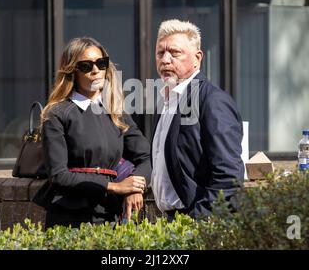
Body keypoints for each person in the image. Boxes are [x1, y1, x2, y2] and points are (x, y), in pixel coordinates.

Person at [33, 37, 151, 229]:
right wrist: (114, 187)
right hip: (70, 217)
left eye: (101, 63)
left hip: (112, 215)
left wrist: (135, 188)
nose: (96, 70)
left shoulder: (116, 112)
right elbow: (59, 175)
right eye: (86, 66)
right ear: (73, 71)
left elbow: (146, 157)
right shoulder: (56, 114)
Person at [151, 19, 245, 220]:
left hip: (196, 223)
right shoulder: (169, 99)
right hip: (171, 223)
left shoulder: (213, 100)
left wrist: (197, 223)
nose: (165, 60)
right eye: (160, 53)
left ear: (197, 58)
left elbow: (228, 177)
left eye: (175, 53)